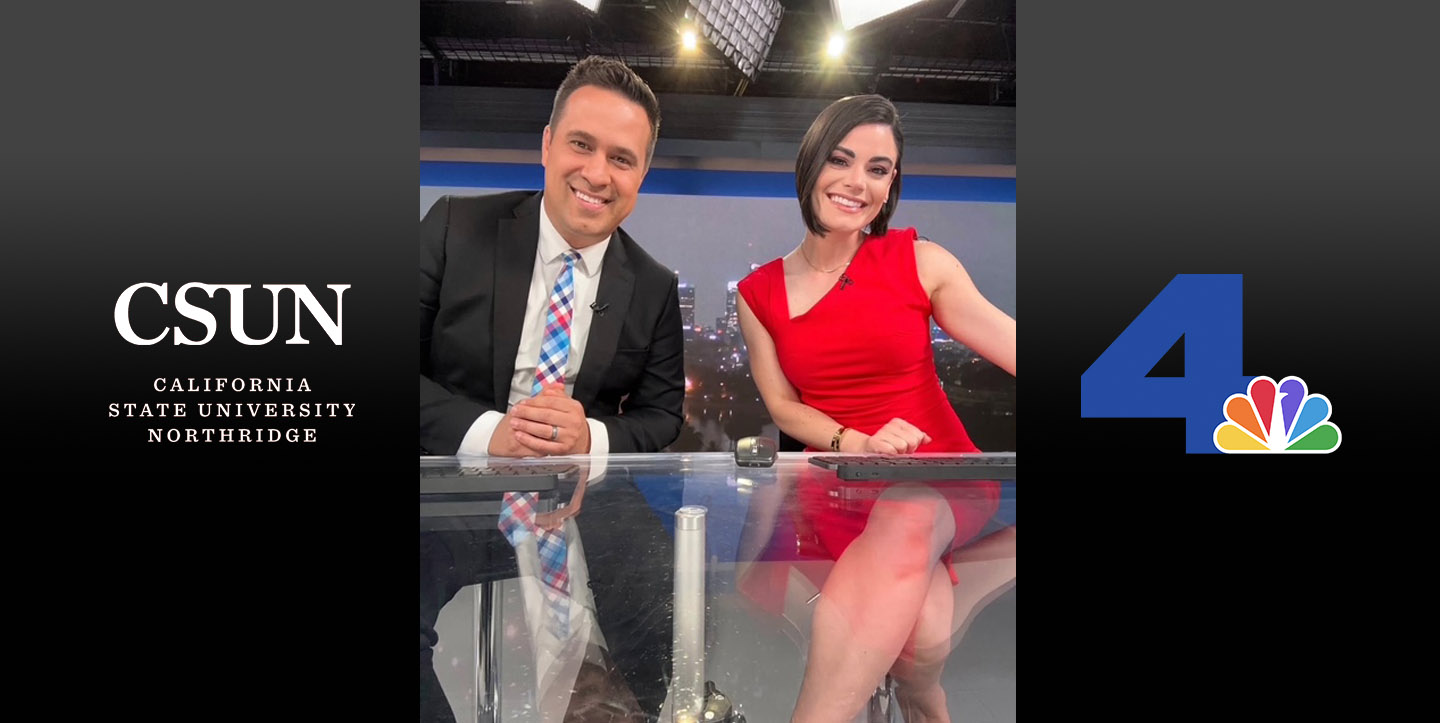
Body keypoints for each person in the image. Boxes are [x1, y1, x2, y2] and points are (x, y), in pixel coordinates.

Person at [736, 94, 1016, 722]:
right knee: (919, 641)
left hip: (940, 480)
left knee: (908, 512)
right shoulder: (758, 294)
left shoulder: (920, 261)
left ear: (892, 186)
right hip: (844, 484)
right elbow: (784, 407)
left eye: (878, 169)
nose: (857, 183)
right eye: (841, 160)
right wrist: (854, 442)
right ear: (811, 163)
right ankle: (922, 694)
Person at [419, 56, 683, 722]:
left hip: (577, 493)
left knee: (660, 602)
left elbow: (661, 415)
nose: (597, 173)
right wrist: (492, 435)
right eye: (581, 145)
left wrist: (588, 437)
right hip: (452, 481)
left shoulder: (652, 285)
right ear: (546, 144)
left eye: (621, 158)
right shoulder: (454, 227)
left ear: (642, 174)